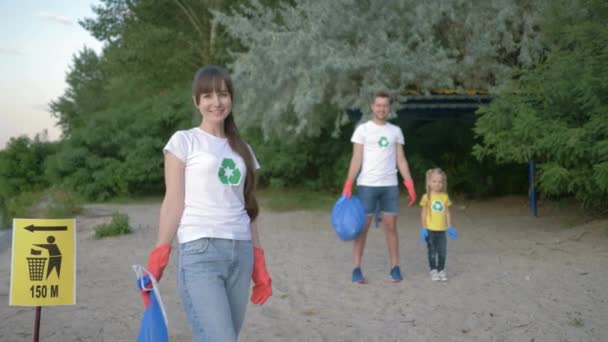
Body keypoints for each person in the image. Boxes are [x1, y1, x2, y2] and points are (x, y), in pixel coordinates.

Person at [141, 65, 272, 341]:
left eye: (223, 94)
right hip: (201, 252)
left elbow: (249, 207)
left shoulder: (244, 150)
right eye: (208, 96)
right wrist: (160, 253)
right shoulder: (184, 141)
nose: (216, 102)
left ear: (231, 98)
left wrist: (259, 263)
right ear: (196, 102)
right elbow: (174, 200)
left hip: (241, 253)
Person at [341, 91, 417, 284]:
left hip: (389, 185)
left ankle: (394, 267)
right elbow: (356, 158)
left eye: (385, 105)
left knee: (391, 226)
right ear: (372, 107)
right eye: (378, 105)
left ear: (389, 108)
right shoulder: (363, 130)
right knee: (362, 228)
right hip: (367, 184)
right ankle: (356, 268)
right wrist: (349, 182)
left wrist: (409, 183)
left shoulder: (395, 131)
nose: (381, 109)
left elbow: (401, 159)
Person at [419, 168, 458, 282]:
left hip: (442, 230)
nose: (437, 184)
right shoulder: (427, 197)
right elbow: (424, 213)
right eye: (434, 181)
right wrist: (423, 227)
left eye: (440, 182)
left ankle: (441, 269)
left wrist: (449, 226)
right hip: (430, 229)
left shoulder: (444, 196)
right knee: (432, 251)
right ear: (429, 183)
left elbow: (447, 212)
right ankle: (433, 270)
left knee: (442, 251)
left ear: (443, 183)